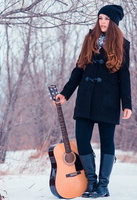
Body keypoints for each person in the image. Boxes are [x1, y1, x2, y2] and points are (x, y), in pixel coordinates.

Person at [55, 5, 132, 198]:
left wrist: (127, 104)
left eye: (106, 18)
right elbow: (79, 69)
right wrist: (65, 93)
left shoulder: (123, 44)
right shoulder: (89, 39)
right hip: (86, 98)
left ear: (114, 22)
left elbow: (125, 76)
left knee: (107, 142)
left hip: (109, 100)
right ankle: (91, 181)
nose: (103, 22)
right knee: (81, 140)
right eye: (100, 18)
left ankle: (103, 186)